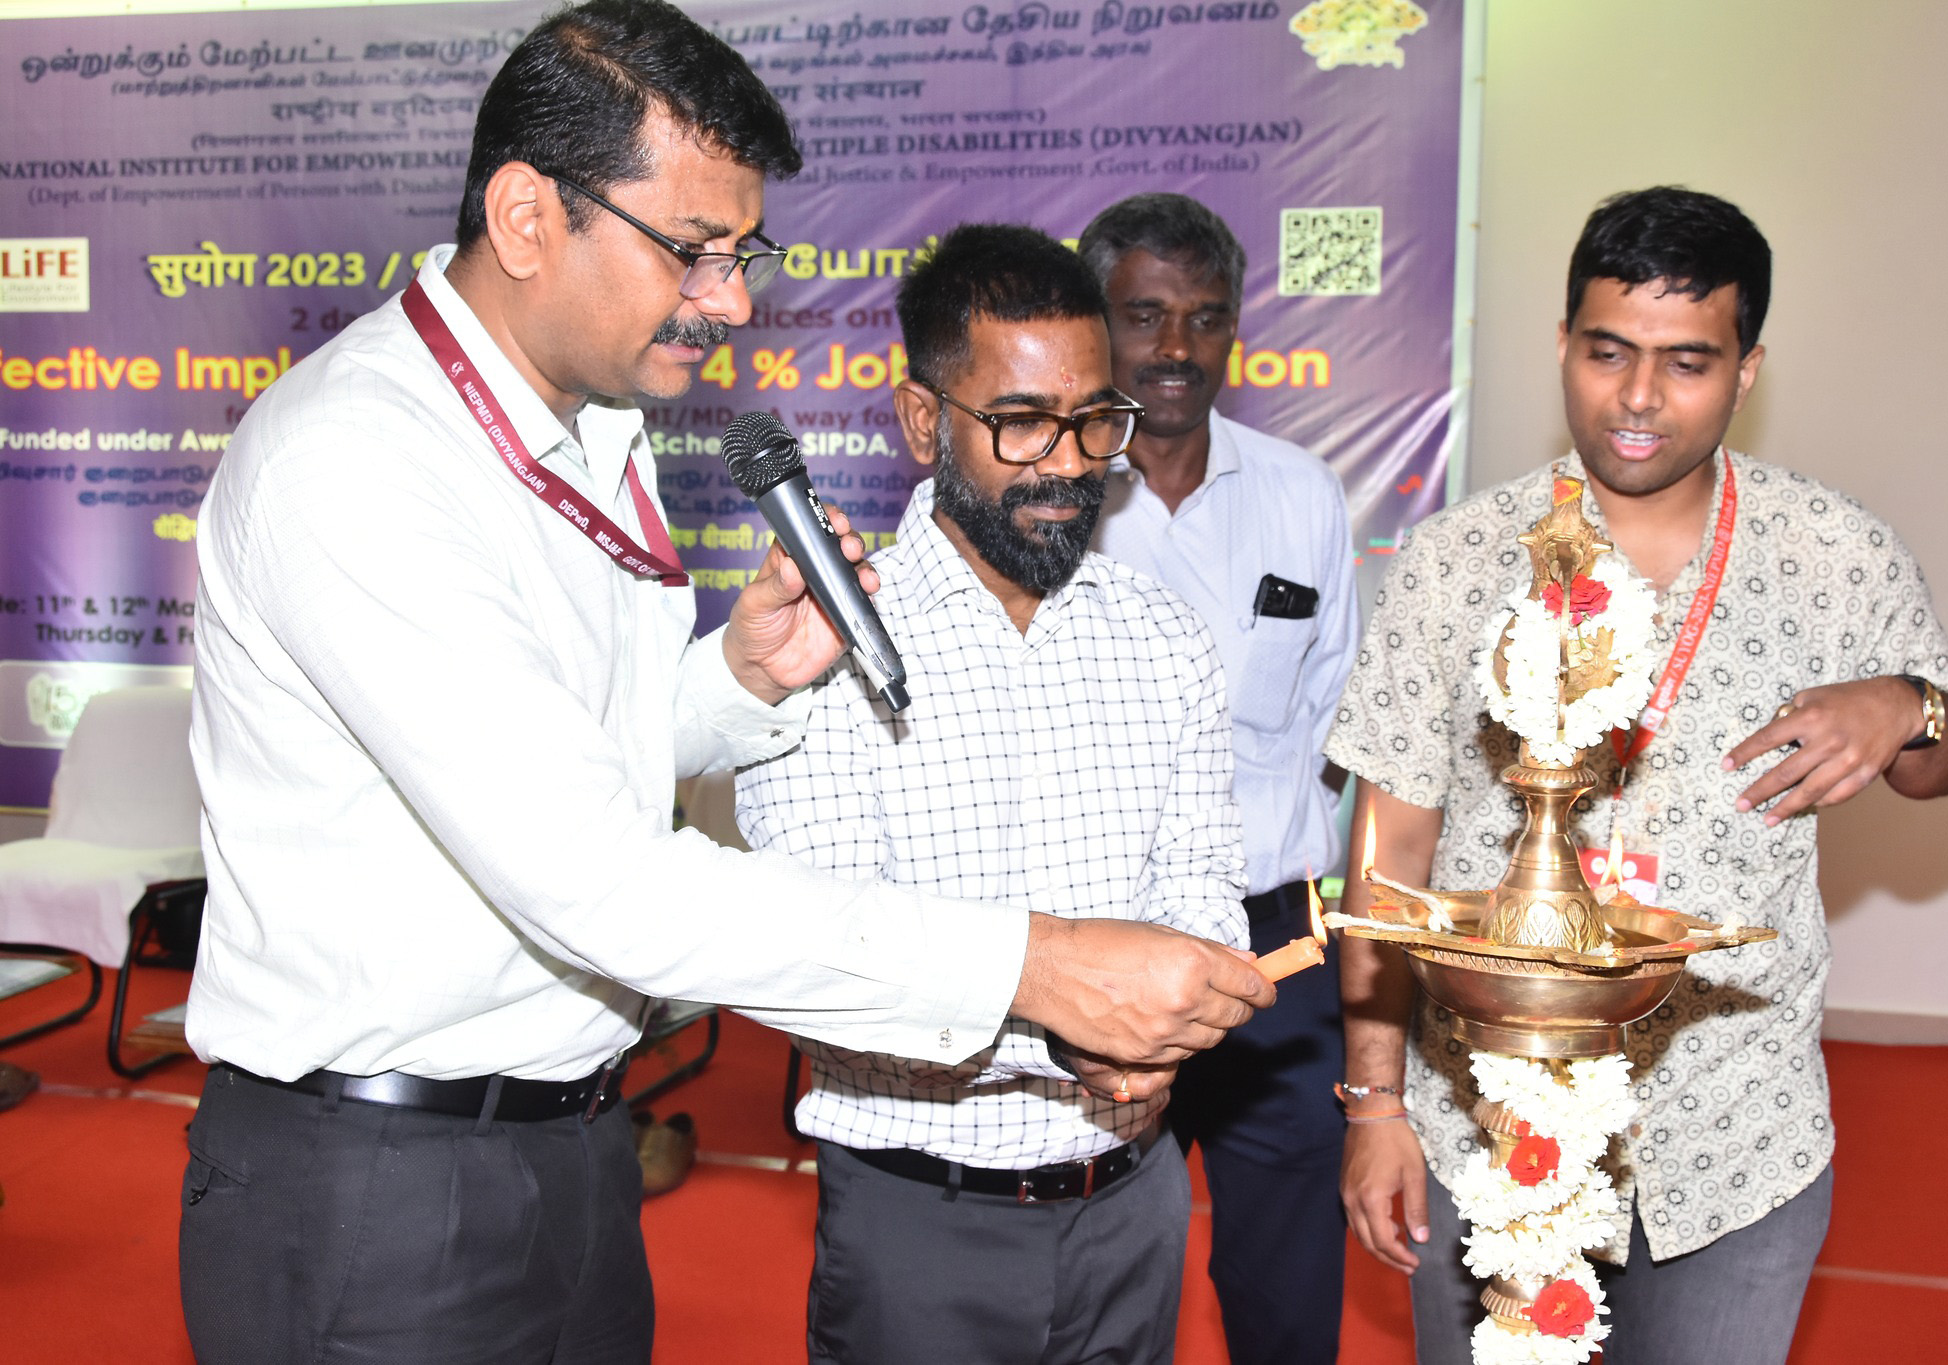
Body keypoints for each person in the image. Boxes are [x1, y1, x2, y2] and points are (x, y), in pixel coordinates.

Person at [175, 6, 1274, 1362]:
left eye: (743, 253)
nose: (734, 300)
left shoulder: (587, 429)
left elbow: (577, 757)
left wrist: (735, 680)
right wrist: (1033, 966)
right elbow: (597, 879)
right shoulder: (357, 462)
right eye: (695, 253)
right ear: (529, 218)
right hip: (379, 1178)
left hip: (570, 1137)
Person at [1325, 186, 1948, 1364]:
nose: (1637, 398)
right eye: (1606, 353)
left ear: (1744, 370)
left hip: (1732, 1129)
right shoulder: (1457, 559)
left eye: (1685, 362)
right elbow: (1389, 854)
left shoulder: (1828, 552)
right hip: (1483, 1118)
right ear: (1563, 347)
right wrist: (1374, 1106)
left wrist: (1907, 707)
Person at [734, 223, 1250, 1365]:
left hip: (1136, 1204)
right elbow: (820, 952)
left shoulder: (1160, 636)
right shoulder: (823, 642)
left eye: (1093, 420)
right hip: (922, 1219)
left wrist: (1164, 1024)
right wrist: (1076, 1027)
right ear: (924, 420)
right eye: (1019, 423)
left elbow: (1205, 877)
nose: (1067, 462)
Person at [1079, 193, 1361, 1364]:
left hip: (1274, 951)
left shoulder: (1301, 493)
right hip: (1097, 944)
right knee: (1090, 1265)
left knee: (1285, 1278)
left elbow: (1339, 725)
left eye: (1203, 317)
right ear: (1097, 326)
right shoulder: (1046, 499)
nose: (1176, 348)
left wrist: (1341, 939)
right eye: (1144, 316)